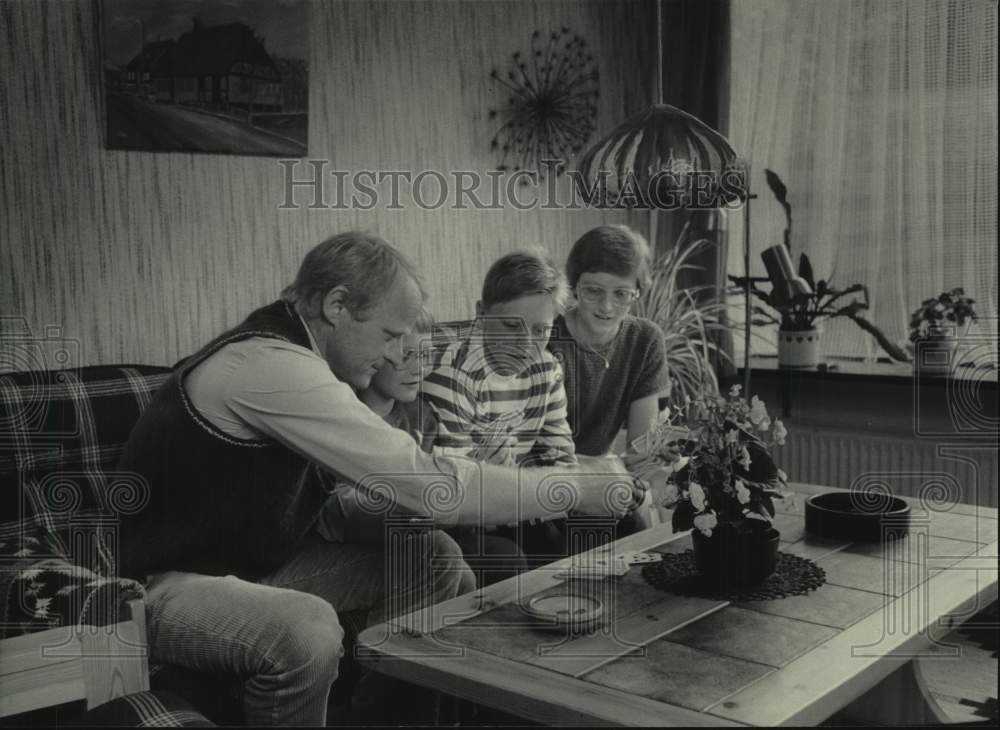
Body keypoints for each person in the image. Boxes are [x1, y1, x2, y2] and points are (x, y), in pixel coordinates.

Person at [116, 232, 628, 726]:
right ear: (337, 305)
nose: (396, 354)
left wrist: (393, 510)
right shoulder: (270, 365)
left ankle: (378, 715)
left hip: (251, 566)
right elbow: (431, 484)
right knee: (307, 627)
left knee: (434, 559)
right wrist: (578, 489)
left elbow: (329, 501)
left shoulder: (308, 361)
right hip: (160, 586)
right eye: (389, 334)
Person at [318, 310, 527, 586]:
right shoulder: (345, 417)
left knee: (506, 554)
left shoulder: (421, 414)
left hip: (418, 530)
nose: (419, 369)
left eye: (426, 356)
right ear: (374, 355)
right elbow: (349, 510)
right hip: (366, 535)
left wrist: (480, 468)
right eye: (407, 356)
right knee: (454, 558)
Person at [421, 250, 581, 564]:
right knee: (511, 556)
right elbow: (457, 493)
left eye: (540, 331)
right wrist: (514, 480)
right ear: (481, 314)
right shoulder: (452, 374)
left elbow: (562, 462)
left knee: (592, 526)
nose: (525, 345)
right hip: (465, 517)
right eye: (510, 326)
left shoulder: (547, 370)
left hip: (516, 502)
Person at [547, 225, 671, 530]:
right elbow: (538, 452)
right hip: (547, 484)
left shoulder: (645, 340)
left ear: (637, 293)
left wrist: (641, 487)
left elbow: (642, 455)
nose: (606, 306)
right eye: (593, 291)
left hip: (605, 487)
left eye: (621, 294)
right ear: (574, 286)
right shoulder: (546, 337)